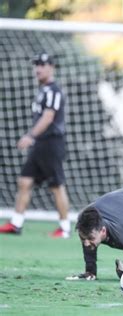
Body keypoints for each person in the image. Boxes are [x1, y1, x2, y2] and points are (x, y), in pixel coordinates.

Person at [0, 52, 71, 238]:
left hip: (51, 143)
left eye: (42, 64)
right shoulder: (43, 91)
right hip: (40, 144)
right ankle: (16, 223)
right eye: (36, 64)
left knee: (56, 185)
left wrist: (30, 135)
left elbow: (48, 118)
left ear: (51, 67)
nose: (38, 68)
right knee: (24, 181)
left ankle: (64, 228)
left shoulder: (54, 91)